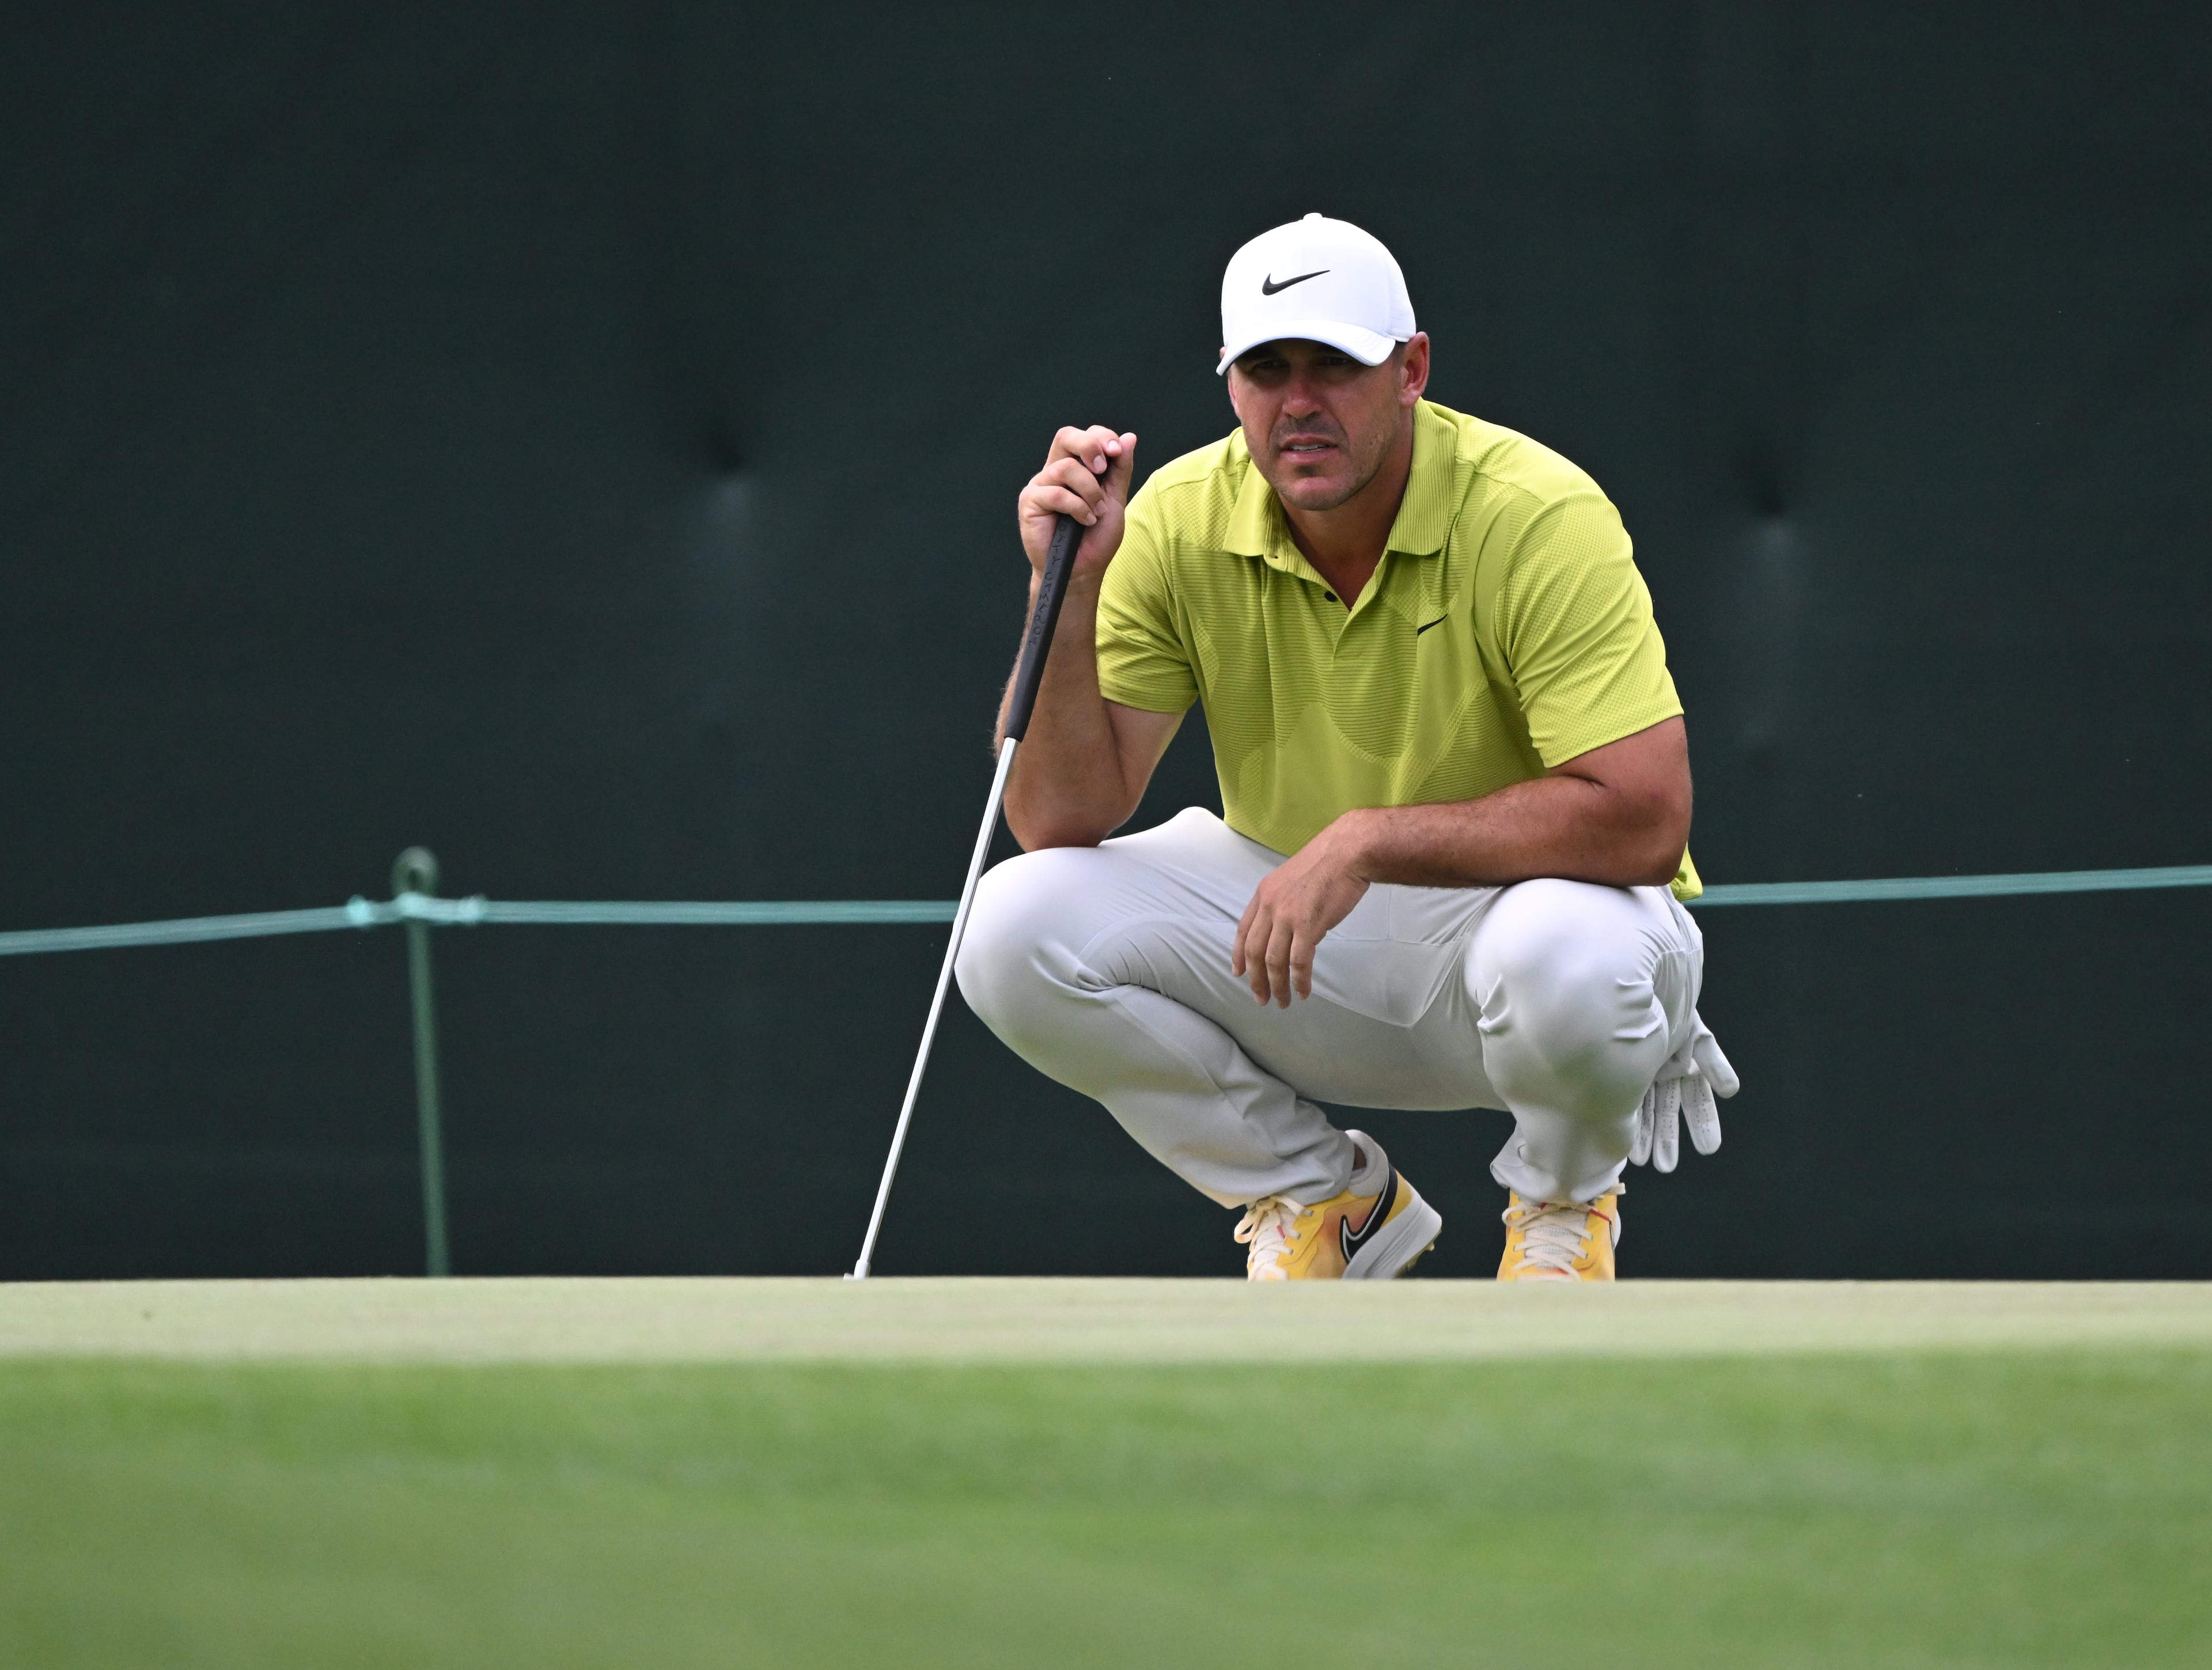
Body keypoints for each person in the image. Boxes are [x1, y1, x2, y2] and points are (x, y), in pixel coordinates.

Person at [955, 214, 1737, 1281]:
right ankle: (1327, 1204)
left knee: (1568, 957)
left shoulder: (1538, 511)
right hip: (1307, 940)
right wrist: (1068, 590)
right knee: (1011, 922)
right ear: (1229, 383)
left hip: (1532, 928)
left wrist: (1368, 840)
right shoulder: (1175, 520)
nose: (1299, 402)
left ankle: (1562, 1206)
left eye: (1336, 364)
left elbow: (1647, 817)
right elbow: (1058, 820)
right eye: (1267, 370)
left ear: (1411, 368)